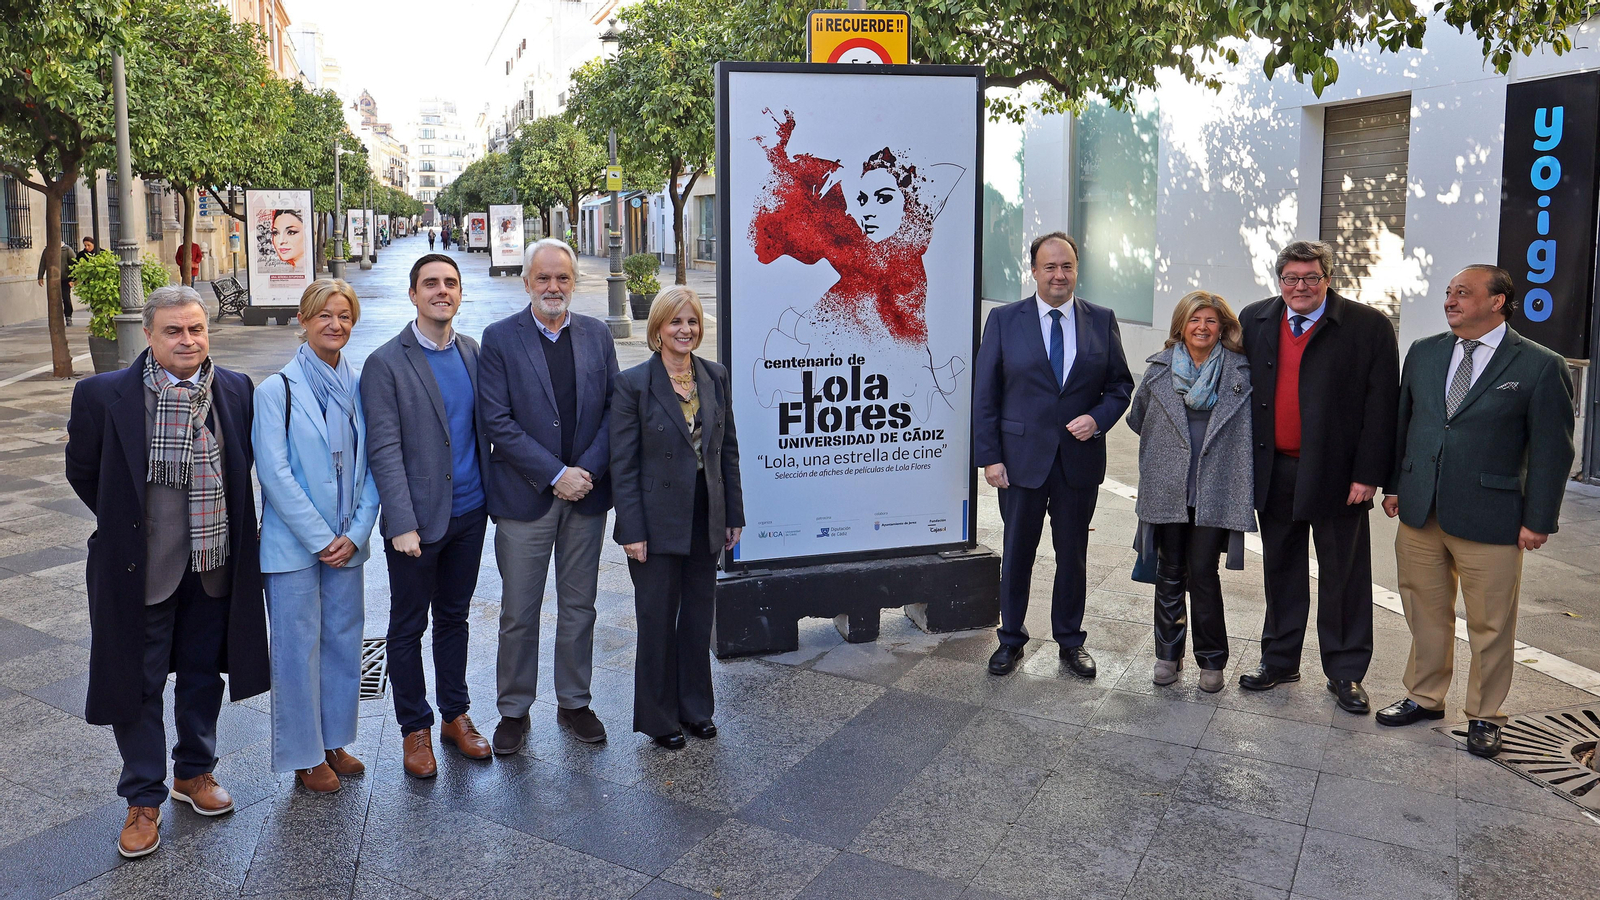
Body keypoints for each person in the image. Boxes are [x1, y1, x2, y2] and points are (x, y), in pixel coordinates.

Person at [65, 286, 269, 858]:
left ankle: (195, 773)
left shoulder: (234, 388)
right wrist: (133, 526)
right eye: (174, 331)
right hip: (140, 570)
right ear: (149, 336)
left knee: (204, 675)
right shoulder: (104, 395)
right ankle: (143, 798)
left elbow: (239, 468)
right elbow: (86, 474)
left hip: (212, 565)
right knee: (138, 684)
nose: (188, 341)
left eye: (196, 330)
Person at [1376, 265, 1574, 757]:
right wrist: (1397, 485)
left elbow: (1553, 450)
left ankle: (1485, 715)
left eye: (1463, 293)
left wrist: (1538, 518)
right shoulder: (1423, 353)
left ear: (1498, 302)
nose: (1451, 301)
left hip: (1493, 515)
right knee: (1424, 610)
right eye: (1448, 293)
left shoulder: (1539, 364)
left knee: (1490, 622)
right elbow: (1407, 424)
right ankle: (1424, 696)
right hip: (1422, 511)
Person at [1237, 240, 1399, 713]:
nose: (1300, 286)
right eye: (1291, 278)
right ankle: (1280, 659)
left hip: (1338, 476)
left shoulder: (1367, 327)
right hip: (1275, 470)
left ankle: (1346, 672)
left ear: (1328, 278)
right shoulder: (1255, 319)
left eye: (1311, 277)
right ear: (1280, 281)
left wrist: (1369, 474)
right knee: (1281, 568)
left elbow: (1381, 406)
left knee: (1343, 576)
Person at [478, 237, 620, 752]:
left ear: (574, 282)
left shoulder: (598, 335)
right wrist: (556, 472)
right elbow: (497, 420)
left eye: (562, 278)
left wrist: (585, 470)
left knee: (580, 606)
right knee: (519, 611)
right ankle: (514, 709)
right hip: (525, 498)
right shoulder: (499, 339)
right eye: (544, 278)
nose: (553, 287)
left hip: (585, 495)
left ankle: (574, 701)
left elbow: (614, 410)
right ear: (527, 282)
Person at [973, 232, 1134, 678]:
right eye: (1050, 267)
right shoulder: (1005, 320)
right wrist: (989, 457)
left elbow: (1121, 385)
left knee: (1073, 555)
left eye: (1067, 266)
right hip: (1020, 461)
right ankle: (1010, 640)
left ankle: (1070, 641)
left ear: (1076, 269)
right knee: (1017, 552)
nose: (1059, 275)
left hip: (1077, 462)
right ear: (1034, 271)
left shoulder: (1101, 320)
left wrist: (1098, 418)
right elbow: (985, 394)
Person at [360, 254, 494, 778]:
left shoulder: (472, 352)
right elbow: (384, 449)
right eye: (431, 284)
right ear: (412, 294)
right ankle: (413, 727)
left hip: (469, 513)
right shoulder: (385, 363)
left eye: (451, 283)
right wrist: (400, 523)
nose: (443, 291)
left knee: (454, 619)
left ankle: (455, 716)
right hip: (417, 523)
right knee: (408, 625)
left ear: (460, 294)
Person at [252, 279, 380, 792]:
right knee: (296, 648)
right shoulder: (275, 391)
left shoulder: (360, 386)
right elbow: (274, 474)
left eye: (345, 316)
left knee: (343, 642)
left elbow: (374, 464)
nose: (335, 325)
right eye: (325, 315)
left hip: (348, 542)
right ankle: (305, 756)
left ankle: (333, 741)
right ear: (304, 320)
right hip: (294, 547)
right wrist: (320, 537)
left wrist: (356, 531)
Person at [610, 286, 744, 749]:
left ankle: (695, 709)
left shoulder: (715, 376)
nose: (685, 330)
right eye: (675, 322)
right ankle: (659, 717)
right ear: (657, 329)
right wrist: (631, 530)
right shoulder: (633, 385)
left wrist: (733, 515)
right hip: (654, 522)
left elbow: (727, 449)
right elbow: (622, 465)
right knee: (656, 619)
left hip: (705, 515)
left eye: (692, 322)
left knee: (696, 619)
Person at [1126, 291, 1255, 692]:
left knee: (1203, 574)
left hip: (1217, 488)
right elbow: (1137, 419)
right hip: (1168, 488)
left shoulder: (1241, 372)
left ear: (1223, 328)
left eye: (1211, 321)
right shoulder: (1159, 370)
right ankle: (1167, 656)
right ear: (1181, 325)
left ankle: (1212, 661)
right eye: (1194, 319)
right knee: (1168, 572)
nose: (1202, 327)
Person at [37, 239, 77, 324]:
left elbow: (75, 264)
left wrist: (73, 279)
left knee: (66, 298)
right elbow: (43, 263)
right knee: (54, 299)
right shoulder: (47, 250)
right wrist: (40, 276)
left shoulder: (67, 250)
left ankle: (68, 316)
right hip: (52, 279)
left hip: (65, 279)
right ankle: (56, 318)